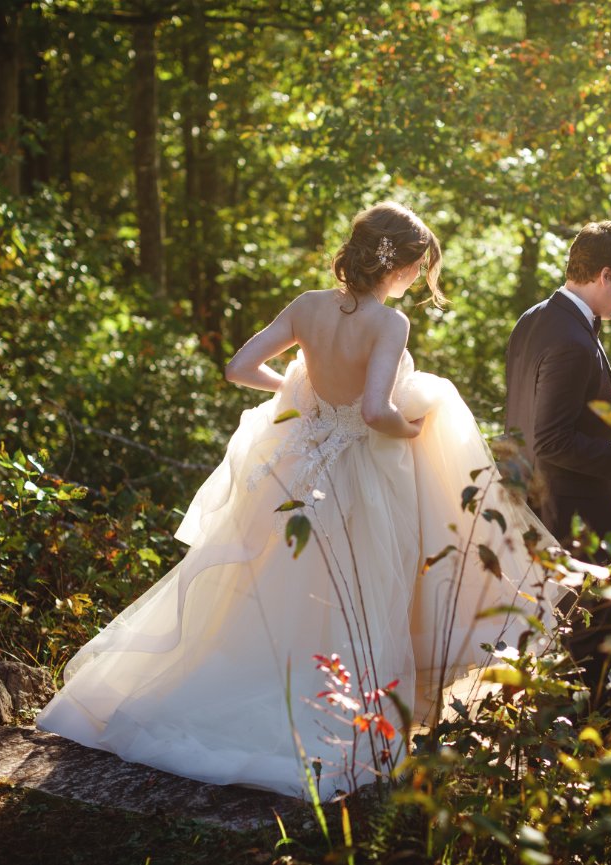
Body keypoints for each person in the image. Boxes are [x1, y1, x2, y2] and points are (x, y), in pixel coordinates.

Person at [35, 202, 558, 800]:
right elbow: (375, 411)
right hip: (360, 477)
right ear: (399, 265)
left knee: (267, 590)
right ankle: (326, 716)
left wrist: (298, 393)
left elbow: (239, 367)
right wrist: (414, 428)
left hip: (293, 470)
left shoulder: (308, 305)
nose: (418, 278)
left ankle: (223, 694)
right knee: (352, 593)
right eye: (419, 267)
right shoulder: (389, 324)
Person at [503, 220, 611, 711]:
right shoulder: (570, 339)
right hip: (575, 519)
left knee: (559, 655)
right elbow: (552, 439)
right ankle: (592, 746)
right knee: (592, 651)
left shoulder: (535, 319)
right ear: (604, 275)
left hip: (537, 509)